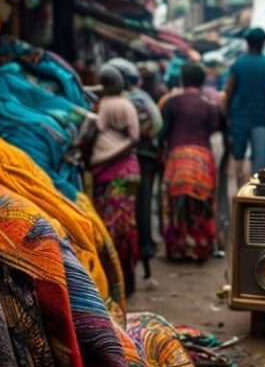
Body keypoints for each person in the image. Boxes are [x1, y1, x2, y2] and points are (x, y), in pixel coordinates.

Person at [106, 58, 163, 273]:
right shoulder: (142, 97)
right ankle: (144, 244)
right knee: (143, 203)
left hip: (135, 157)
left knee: (135, 203)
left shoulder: (126, 100)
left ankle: (139, 247)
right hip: (146, 156)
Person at [160, 63, 221, 262]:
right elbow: (214, 127)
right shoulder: (209, 104)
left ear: (182, 80)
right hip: (201, 159)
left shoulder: (171, 102)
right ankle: (201, 246)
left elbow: (163, 132)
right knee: (201, 205)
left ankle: (179, 248)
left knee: (177, 205)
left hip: (177, 158)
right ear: (202, 81)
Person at [90, 65, 141, 295]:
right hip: (129, 170)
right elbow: (135, 136)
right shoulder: (127, 104)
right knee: (127, 222)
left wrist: (107, 153)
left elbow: (94, 132)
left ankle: (112, 277)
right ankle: (129, 276)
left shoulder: (101, 106)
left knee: (106, 224)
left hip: (106, 172)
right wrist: (121, 150)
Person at [224, 27, 265, 186]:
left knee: (237, 159)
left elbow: (229, 91)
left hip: (240, 119)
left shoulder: (238, 64)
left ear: (247, 43)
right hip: (263, 119)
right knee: (260, 167)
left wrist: (227, 115)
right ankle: (256, 196)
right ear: (263, 43)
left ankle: (239, 192)